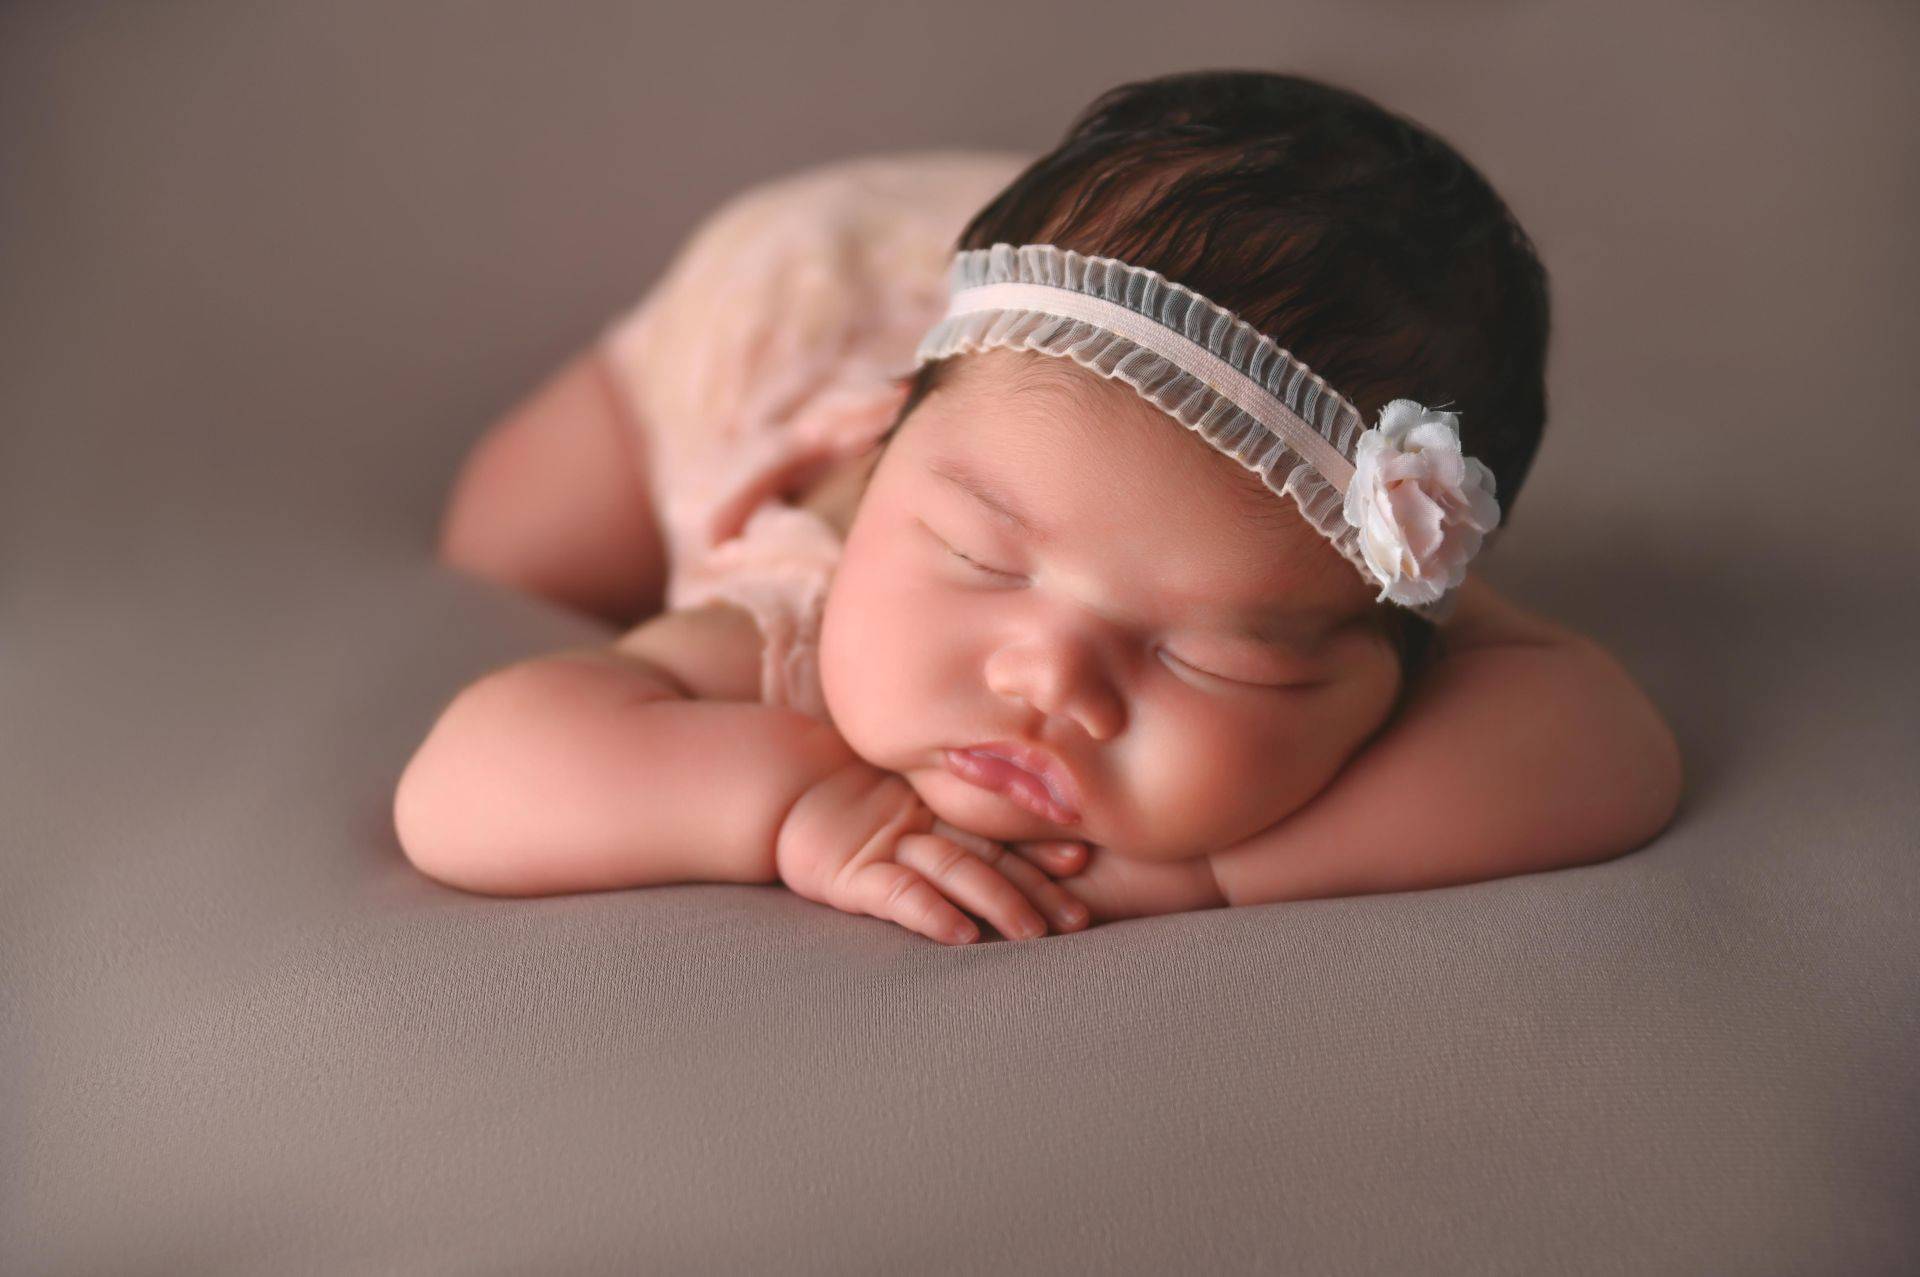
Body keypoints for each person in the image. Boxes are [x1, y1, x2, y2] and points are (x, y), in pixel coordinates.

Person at [402, 71, 1683, 946]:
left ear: (1383, 647)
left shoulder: (1337, 539)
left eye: (1209, 651)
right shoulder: (810, 601)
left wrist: (1204, 871)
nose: (1051, 677)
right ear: (887, 451)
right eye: (977, 558)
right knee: (512, 540)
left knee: (1119, 427)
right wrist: (793, 804)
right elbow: (466, 782)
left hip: (1091, 374)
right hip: (805, 297)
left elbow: (1607, 745)